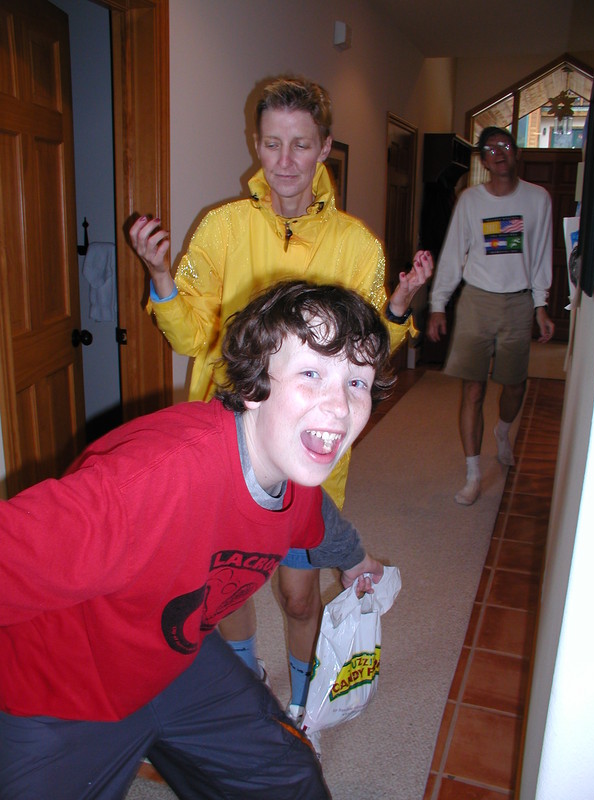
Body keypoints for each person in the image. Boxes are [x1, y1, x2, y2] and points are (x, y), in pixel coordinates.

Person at [0, 280, 391, 800]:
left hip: (173, 661)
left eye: (357, 381)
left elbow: (318, 518)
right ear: (254, 385)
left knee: (291, 781)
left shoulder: (292, 474)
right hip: (61, 689)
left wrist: (357, 561)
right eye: (311, 373)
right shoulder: (145, 486)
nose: (339, 406)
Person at [129, 75, 432, 725]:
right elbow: (192, 335)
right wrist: (160, 278)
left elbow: (368, 355)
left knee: (298, 593)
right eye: (272, 144)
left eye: (300, 144)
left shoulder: (355, 245)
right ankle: (247, 685)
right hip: (229, 438)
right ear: (256, 144)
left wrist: (398, 311)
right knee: (226, 584)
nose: (285, 161)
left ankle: (301, 706)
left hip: (312, 442)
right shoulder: (223, 227)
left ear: (324, 147)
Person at [427, 126, 554, 506]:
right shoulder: (470, 200)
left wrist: (541, 304)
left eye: (505, 145)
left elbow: (541, 253)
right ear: (483, 159)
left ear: (517, 152)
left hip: (518, 303)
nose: (499, 152)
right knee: (473, 389)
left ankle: (502, 431)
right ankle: (473, 474)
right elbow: (453, 253)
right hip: (476, 301)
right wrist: (438, 304)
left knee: (514, 385)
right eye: (491, 148)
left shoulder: (538, 199)